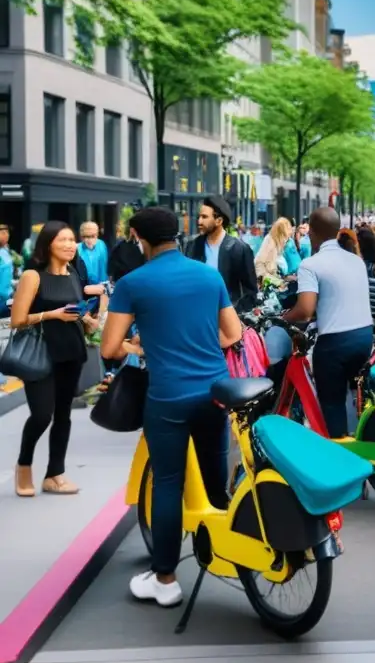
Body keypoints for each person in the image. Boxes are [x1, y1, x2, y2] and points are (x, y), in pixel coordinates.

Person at [101, 206, 242, 607]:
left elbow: (110, 348)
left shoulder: (133, 282)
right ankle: (226, 551)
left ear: (137, 237)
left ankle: (165, 579)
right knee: (217, 478)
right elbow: (231, 334)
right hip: (216, 390)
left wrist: (142, 344)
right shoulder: (207, 274)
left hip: (168, 396)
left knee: (167, 484)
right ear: (177, 234)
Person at [11, 222, 97, 497]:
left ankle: (54, 474)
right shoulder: (32, 276)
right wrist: (52, 315)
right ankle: (24, 465)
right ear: (48, 244)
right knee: (41, 415)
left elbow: (75, 308)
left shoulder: (73, 272)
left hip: (71, 351)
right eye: (63, 240)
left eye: (73, 240)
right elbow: (17, 320)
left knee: (63, 415)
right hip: (41, 355)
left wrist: (86, 320)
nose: (71, 245)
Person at [284, 207, 372, 439]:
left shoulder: (311, 265)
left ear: (311, 232)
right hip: (364, 337)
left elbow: (304, 310)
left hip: (335, 344)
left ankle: (339, 453)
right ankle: (364, 443)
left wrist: (283, 318)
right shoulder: (356, 261)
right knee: (359, 394)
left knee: (332, 402)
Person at [188, 195, 258, 307]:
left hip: (227, 317)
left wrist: (234, 316)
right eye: (199, 217)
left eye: (204, 217)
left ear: (219, 221)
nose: (199, 221)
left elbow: (250, 293)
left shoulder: (239, 249)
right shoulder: (193, 245)